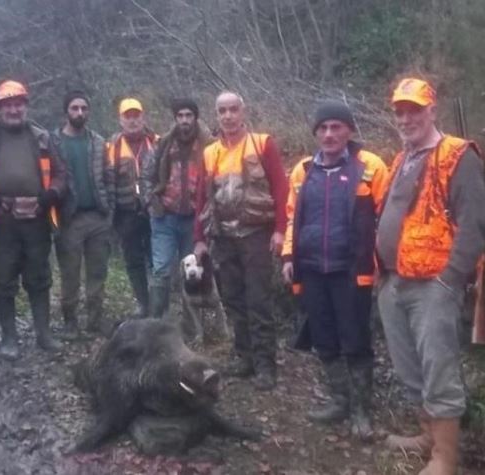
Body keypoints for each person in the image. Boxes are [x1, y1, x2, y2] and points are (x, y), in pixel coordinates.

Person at [377, 78, 485, 474]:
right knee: (410, 367)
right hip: (394, 281)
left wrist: (450, 280)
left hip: (434, 285)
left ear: (432, 110)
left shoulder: (458, 155)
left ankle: (446, 458)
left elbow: (475, 225)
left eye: (414, 109)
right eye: (400, 111)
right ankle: (427, 435)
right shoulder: (402, 157)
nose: (406, 118)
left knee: (439, 369)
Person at [281, 101, 388, 439]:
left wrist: (384, 262)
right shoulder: (301, 171)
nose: (329, 134)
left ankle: (361, 413)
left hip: (352, 269)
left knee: (356, 339)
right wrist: (287, 256)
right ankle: (340, 400)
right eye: (323, 128)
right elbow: (290, 217)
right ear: (315, 132)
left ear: (349, 130)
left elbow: (387, 217)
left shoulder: (370, 166)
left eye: (336, 127)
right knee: (324, 337)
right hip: (311, 268)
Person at [0, 80, 66, 360]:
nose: (13, 109)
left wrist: (47, 199)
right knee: (3, 279)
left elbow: (61, 174)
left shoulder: (42, 137)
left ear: (26, 106)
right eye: (7, 104)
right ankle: (9, 337)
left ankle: (43, 334)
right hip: (0, 221)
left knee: (39, 276)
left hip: (37, 219)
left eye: (18, 103)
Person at [193, 91, 289, 391]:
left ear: (243, 111)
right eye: (222, 111)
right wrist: (199, 239)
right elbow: (200, 199)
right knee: (234, 299)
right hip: (223, 236)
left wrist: (280, 230)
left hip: (256, 235)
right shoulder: (210, 153)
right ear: (216, 114)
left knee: (258, 300)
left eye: (233, 109)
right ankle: (245, 357)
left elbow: (282, 189)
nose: (228, 116)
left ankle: (265, 365)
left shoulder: (262, 144)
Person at [141, 98, 213, 319]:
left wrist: (209, 211)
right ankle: (156, 323)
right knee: (161, 269)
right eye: (180, 116)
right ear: (175, 118)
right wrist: (151, 201)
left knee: (192, 270)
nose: (184, 120)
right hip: (165, 217)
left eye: (188, 115)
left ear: (195, 117)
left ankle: (191, 324)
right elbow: (147, 175)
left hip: (194, 218)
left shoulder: (208, 145)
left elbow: (215, 178)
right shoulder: (163, 143)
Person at [51, 90, 115, 338]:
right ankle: (70, 322)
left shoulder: (98, 142)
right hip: (70, 218)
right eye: (75, 108)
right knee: (70, 273)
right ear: (66, 111)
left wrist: (109, 210)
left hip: (97, 216)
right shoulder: (52, 142)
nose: (80, 113)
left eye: (84, 108)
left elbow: (109, 176)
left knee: (97, 271)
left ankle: (95, 320)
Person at [106, 98, 157, 319]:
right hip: (125, 213)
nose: (133, 120)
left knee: (158, 260)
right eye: (128, 116)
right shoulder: (111, 147)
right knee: (133, 260)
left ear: (143, 118)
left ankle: (159, 304)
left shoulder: (157, 142)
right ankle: (143, 304)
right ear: (120, 120)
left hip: (154, 210)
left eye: (137, 115)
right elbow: (106, 180)